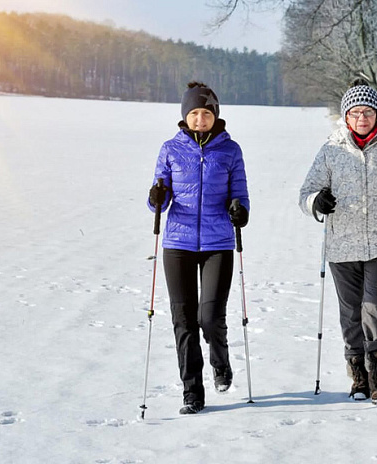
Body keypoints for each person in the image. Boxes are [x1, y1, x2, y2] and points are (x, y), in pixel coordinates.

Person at [298, 79, 377, 406]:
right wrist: (316, 202)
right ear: (346, 117)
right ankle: (359, 377)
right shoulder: (330, 152)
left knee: (374, 306)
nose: (362, 117)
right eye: (355, 112)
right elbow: (306, 193)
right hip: (343, 247)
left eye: (368, 111)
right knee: (351, 312)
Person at [147, 82, 250, 415]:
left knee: (209, 317)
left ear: (215, 115)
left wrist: (240, 210)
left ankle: (220, 362)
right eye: (194, 113)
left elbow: (241, 193)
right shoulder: (170, 149)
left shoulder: (230, 150)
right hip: (178, 242)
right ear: (185, 116)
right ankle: (192, 391)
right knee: (184, 320)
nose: (200, 119)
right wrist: (156, 198)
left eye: (206, 113)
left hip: (218, 242)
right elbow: (157, 197)